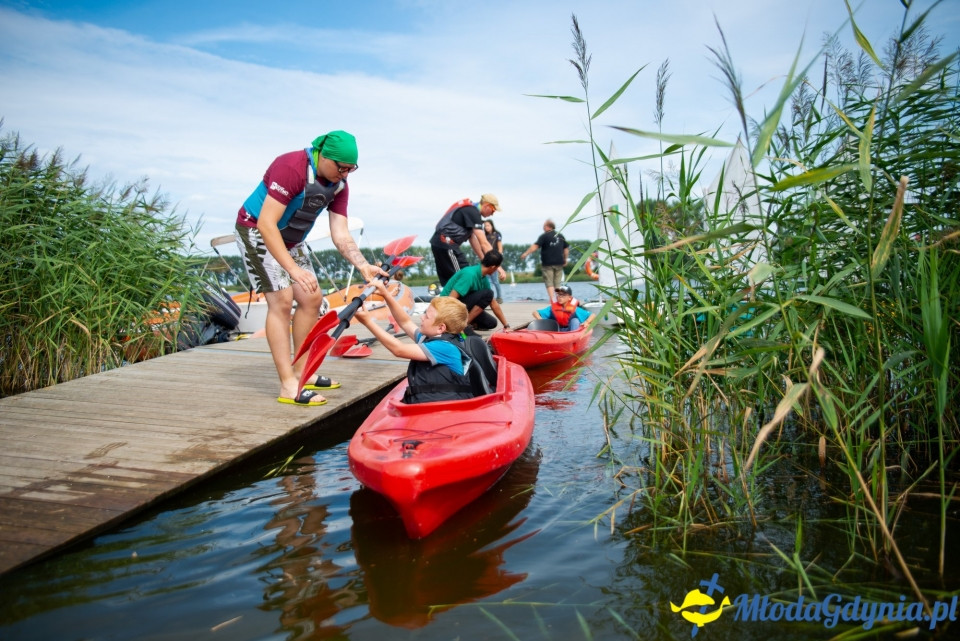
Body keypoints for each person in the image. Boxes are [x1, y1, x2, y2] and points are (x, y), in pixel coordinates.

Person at [234, 130, 388, 407]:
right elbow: (267, 223)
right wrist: (292, 270)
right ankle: (288, 385)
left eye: (350, 170)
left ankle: (302, 370)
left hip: (291, 240)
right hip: (256, 230)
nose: (345, 175)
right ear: (323, 155)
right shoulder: (291, 167)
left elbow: (340, 233)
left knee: (312, 298)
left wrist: (363, 265)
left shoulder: (339, 185)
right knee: (282, 301)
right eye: (341, 168)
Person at [354, 281, 496, 402]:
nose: (422, 318)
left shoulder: (444, 348)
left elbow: (399, 350)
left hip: (449, 409)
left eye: (427, 316)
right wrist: (386, 294)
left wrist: (368, 322)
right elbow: (405, 322)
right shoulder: (430, 338)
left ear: (441, 328)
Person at [430, 194, 507, 286]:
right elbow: (484, 243)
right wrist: (498, 266)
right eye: (493, 210)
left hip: (441, 244)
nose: (493, 213)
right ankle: (458, 299)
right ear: (486, 205)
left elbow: (473, 239)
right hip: (446, 245)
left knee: (453, 280)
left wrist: (483, 258)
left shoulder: (470, 211)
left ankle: (448, 298)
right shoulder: (473, 212)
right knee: (464, 277)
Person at [440, 250, 511, 332]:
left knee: (491, 323)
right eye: (497, 268)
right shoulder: (470, 274)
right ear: (493, 267)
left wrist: (506, 325)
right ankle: (463, 325)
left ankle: (467, 322)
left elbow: (493, 303)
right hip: (447, 306)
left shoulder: (483, 278)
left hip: (462, 306)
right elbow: (451, 299)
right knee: (488, 293)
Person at [520, 219, 569, 302]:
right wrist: (565, 259)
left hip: (547, 263)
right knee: (557, 283)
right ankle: (558, 299)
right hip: (559, 263)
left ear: (547, 227)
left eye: (544, 227)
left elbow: (535, 246)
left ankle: (553, 300)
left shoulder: (544, 236)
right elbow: (566, 248)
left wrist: (526, 253)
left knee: (549, 282)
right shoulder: (560, 236)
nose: (543, 228)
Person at [483, 219, 504, 303]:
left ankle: (499, 297)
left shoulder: (497, 235)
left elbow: (500, 247)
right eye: (485, 226)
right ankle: (490, 298)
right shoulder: (484, 236)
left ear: (492, 225)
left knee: (495, 281)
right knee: (488, 281)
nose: (486, 227)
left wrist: (498, 258)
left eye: (488, 225)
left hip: (494, 259)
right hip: (486, 260)